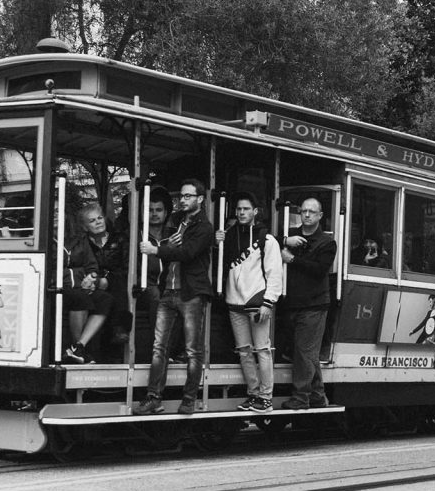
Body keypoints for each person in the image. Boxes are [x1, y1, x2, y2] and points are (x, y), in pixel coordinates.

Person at [134, 178, 215, 416]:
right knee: (159, 347)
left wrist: (157, 249)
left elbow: (187, 253)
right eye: (182, 196)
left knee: (192, 350)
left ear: (200, 199)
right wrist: (170, 245)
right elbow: (174, 250)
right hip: (168, 291)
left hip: (191, 294)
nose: (183, 200)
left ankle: (189, 399)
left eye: (189, 196)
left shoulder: (204, 227)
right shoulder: (177, 221)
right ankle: (153, 398)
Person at [217, 192, 283, 412]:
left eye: (246, 209)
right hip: (234, 302)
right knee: (244, 351)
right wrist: (216, 242)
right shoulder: (228, 235)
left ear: (255, 212)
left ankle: (265, 398)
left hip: (257, 303)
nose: (242, 212)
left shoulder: (266, 238)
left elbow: (275, 274)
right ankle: (253, 395)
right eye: (239, 209)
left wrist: (268, 303)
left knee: (262, 350)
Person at [279, 197, 336, 410]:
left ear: (320, 216)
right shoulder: (291, 236)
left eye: (312, 212)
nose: (307, 215)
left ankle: (301, 398)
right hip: (291, 303)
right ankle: (319, 396)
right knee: (305, 352)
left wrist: (292, 259)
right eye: (303, 211)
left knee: (304, 351)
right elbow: (268, 239)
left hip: (315, 305)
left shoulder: (327, 242)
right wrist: (285, 240)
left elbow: (319, 270)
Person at [80, 202, 131, 358]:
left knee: (118, 284)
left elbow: (128, 266)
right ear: (85, 227)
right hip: (93, 283)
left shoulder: (120, 239)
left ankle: (119, 329)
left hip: (119, 280)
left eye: (100, 218)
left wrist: (107, 280)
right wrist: (95, 279)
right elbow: (82, 265)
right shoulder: (82, 243)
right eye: (92, 220)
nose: (98, 222)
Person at [138, 186, 183, 361]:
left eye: (158, 210)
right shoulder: (137, 235)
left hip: (168, 285)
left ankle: (175, 351)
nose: (154, 214)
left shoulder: (175, 235)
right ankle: (161, 352)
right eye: (149, 210)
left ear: (166, 213)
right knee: (157, 297)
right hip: (142, 287)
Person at [62, 220, 116, 363]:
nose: (55, 215)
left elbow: (92, 265)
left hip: (81, 287)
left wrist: (91, 278)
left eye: (57, 211)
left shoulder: (80, 240)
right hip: (58, 288)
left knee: (105, 298)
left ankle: (78, 347)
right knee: (81, 297)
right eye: (53, 211)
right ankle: (80, 352)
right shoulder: (46, 240)